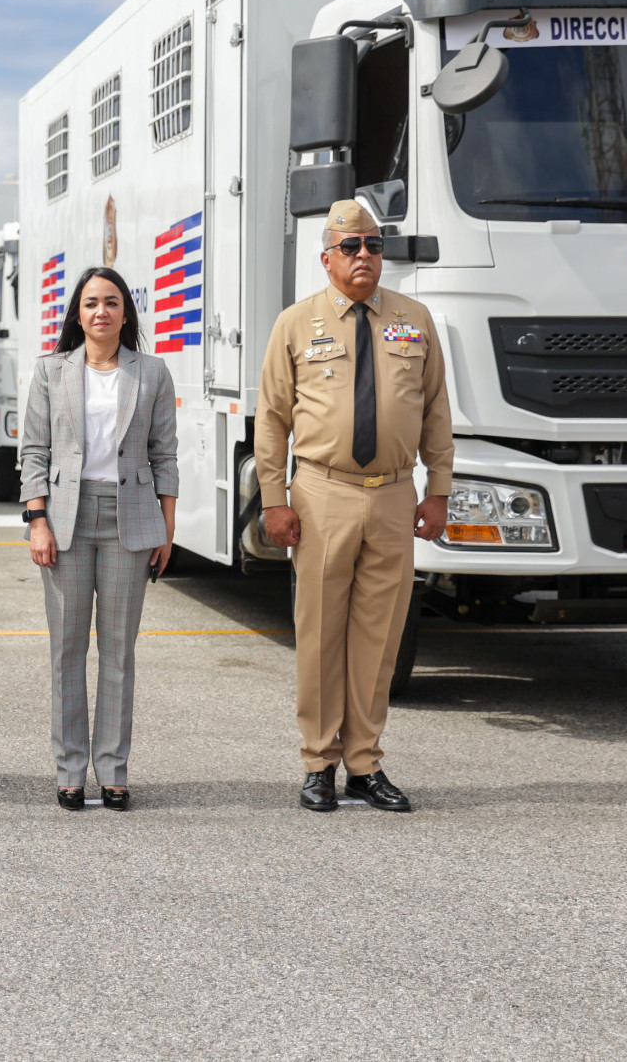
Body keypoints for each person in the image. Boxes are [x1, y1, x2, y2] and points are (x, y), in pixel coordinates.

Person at [256, 200, 452, 814]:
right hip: (322, 493)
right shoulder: (296, 323)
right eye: (350, 246)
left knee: (379, 637)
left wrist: (439, 489)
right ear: (326, 257)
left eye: (373, 244)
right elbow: (272, 420)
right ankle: (319, 762)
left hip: (393, 495)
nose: (363, 255)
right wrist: (274, 499)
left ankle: (365, 765)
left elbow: (436, 411)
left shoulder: (415, 319)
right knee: (320, 636)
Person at [19, 268, 178, 811]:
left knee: (118, 653)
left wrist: (166, 529)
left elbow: (165, 455)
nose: (101, 312)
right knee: (67, 651)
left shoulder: (152, 372)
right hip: (65, 518)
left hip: (128, 519)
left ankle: (113, 771)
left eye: (111, 302)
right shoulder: (51, 371)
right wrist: (37, 521)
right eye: (91, 303)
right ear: (78, 313)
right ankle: (70, 771)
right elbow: (33, 452)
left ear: (125, 312)